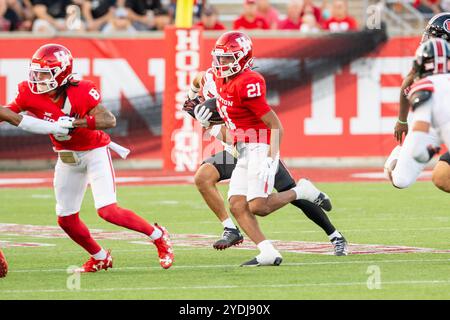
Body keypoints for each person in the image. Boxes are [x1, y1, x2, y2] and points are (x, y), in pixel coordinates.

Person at [5, 43, 174, 272]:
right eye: (36, 73)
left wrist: (75, 123)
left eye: (44, 74)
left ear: (62, 73)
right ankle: (100, 256)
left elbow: (109, 119)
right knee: (66, 219)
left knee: (107, 210)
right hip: (66, 157)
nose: (38, 79)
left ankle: (158, 235)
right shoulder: (28, 92)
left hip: (94, 151)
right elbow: (9, 113)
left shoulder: (81, 90)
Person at [188, 31, 337, 266]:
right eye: (219, 57)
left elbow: (275, 124)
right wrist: (198, 108)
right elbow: (201, 81)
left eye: (227, 58)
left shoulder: (249, 82)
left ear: (243, 58)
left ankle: (303, 191)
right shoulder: (216, 78)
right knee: (237, 204)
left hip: (259, 144)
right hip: (242, 145)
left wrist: (271, 156)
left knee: (259, 206)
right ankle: (267, 252)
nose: (221, 63)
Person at [385, 13, 450, 193]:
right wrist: (402, 120)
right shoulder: (428, 63)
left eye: (433, 36)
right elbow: (407, 85)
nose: (427, 39)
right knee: (400, 180)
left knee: (442, 176)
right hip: (431, 122)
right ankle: (398, 154)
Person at [398, 38, 450, 189]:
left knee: (441, 177)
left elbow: (418, 151)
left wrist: (430, 151)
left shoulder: (425, 87)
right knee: (442, 176)